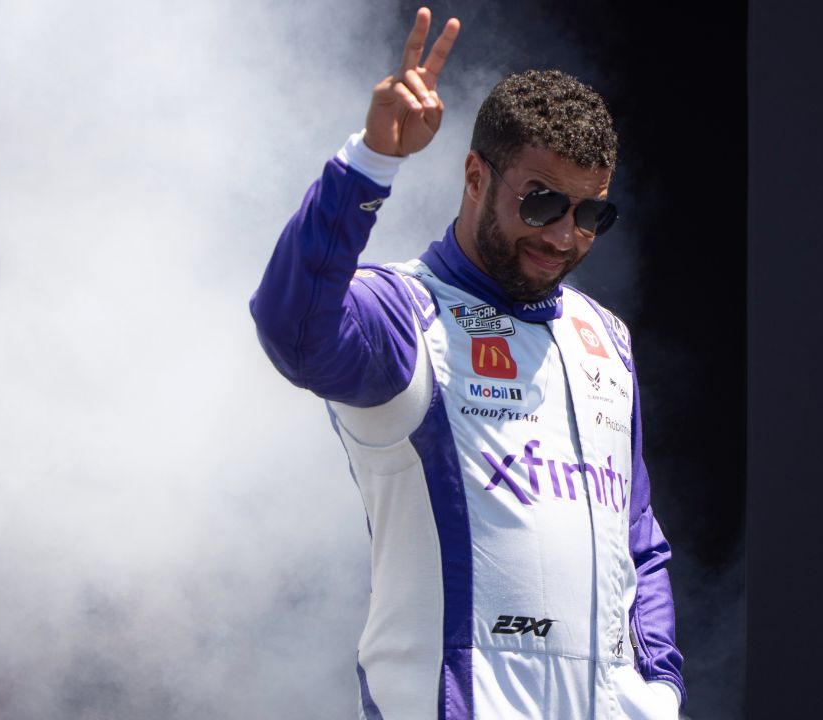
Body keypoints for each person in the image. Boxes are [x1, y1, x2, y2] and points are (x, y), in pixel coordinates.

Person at [249, 8, 685, 718]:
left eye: (591, 215)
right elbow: (291, 329)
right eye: (542, 203)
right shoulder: (403, 314)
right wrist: (369, 163)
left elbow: (640, 544)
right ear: (476, 174)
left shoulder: (605, 336)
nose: (565, 236)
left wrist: (661, 690)